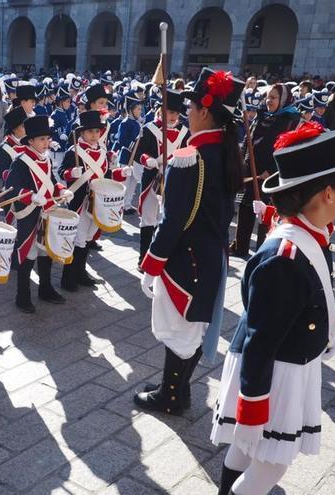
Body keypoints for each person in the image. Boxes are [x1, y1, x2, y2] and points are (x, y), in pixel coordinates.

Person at [211, 124, 335, 495]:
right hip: (274, 374)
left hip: (287, 362)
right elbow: (261, 342)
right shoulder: (286, 255)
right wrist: (253, 407)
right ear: (328, 193)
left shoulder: (312, 233)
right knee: (272, 465)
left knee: (247, 452)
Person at [134, 68, 244, 415]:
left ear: (205, 112)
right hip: (211, 256)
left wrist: (151, 264)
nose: (187, 114)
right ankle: (177, 389)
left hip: (185, 260)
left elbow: (173, 221)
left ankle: (170, 397)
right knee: (191, 330)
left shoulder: (190, 156)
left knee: (179, 331)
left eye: (192, 108)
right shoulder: (226, 153)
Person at [4, 115, 73, 313]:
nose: (46, 143)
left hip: (47, 211)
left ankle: (45, 288)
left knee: (45, 251)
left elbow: (51, 180)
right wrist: (31, 196)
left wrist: (60, 190)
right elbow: (12, 188)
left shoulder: (46, 158)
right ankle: (22, 296)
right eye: (41, 139)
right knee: (28, 255)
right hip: (29, 214)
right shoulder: (21, 161)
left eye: (47, 138)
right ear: (31, 140)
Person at [58, 110, 131, 290]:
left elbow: (106, 175)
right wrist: (70, 173)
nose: (94, 135)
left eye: (97, 132)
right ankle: (68, 278)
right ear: (81, 133)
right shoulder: (74, 152)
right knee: (78, 239)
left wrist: (120, 173)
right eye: (90, 132)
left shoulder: (103, 151)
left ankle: (81, 273)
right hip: (80, 203)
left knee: (88, 238)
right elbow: (61, 172)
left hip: (98, 203)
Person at [230, 83, 301, 258]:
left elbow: (287, 149)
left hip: (271, 175)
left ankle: (264, 249)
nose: (269, 101)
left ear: (283, 99)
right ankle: (240, 246)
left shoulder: (289, 120)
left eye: (274, 97)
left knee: (266, 212)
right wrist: (243, 161)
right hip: (251, 171)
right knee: (247, 208)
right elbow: (248, 140)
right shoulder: (261, 116)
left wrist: (272, 170)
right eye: (268, 97)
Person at [134, 90, 190, 268]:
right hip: (152, 179)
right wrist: (148, 160)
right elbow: (138, 153)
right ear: (161, 110)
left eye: (176, 113)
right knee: (148, 219)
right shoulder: (149, 129)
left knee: (168, 220)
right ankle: (143, 259)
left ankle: (161, 258)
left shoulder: (185, 133)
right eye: (170, 112)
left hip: (174, 180)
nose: (173, 116)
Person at [114, 94, 144, 216]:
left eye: (140, 109)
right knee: (124, 184)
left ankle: (127, 205)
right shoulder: (125, 123)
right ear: (131, 109)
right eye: (138, 109)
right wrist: (134, 143)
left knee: (133, 182)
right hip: (126, 157)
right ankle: (119, 206)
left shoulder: (137, 123)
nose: (140, 111)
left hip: (135, 158)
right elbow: (121, 140)